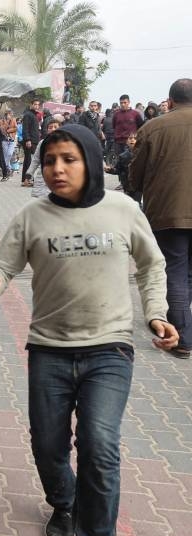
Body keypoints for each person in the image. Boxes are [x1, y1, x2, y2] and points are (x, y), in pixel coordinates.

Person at [0, 124, 177, 536]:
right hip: (48, 348)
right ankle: (64, 502)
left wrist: (156, 312)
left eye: (68, 159)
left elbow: (152, 265)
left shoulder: (124, 210)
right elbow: (2, 266)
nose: (57, 169)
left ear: (88, 160)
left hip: (110, 348)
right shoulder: (31, 215)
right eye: (49, 161)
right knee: (47, 445)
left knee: (99, 444)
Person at [130, 78, 192, 359]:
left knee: (176, 272)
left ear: (170, 100)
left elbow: (136, 174)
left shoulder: (153, 128)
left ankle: (181, 338)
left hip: (169, 211)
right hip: (172, 210)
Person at [112, 95, 142, 161]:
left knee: (131, 162)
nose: (123, 104)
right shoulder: (116, 114)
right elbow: (114, 127)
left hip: (131, 143)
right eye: (121, 103)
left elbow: (140, 126)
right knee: (119, 162)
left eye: (125, 102)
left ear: (129, 102)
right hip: (118, 143)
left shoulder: (135, 114)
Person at [20, 99, 41, 187]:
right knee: (29, 161)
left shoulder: (34, 115)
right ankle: (26, 180)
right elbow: (25, 129)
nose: (37, 106)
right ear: (31, 105)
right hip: (30, 141)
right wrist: (28, 140)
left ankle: (27, 179)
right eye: (35, 104)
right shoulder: (28, 115)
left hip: (35, 141)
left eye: (38, 105)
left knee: (30, 160)